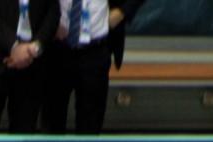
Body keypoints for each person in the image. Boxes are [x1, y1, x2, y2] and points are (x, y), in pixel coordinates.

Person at [40, 0, 145, 134]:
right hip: (57, 49)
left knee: (90, 124)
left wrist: (121, 12)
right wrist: (49, 24)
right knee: (52, 121)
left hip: (95, 50)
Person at [0, 0, 59, 133]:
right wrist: (13, 45)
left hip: (32, 63)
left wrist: (36, 46)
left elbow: (53, 11)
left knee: (25, 134)